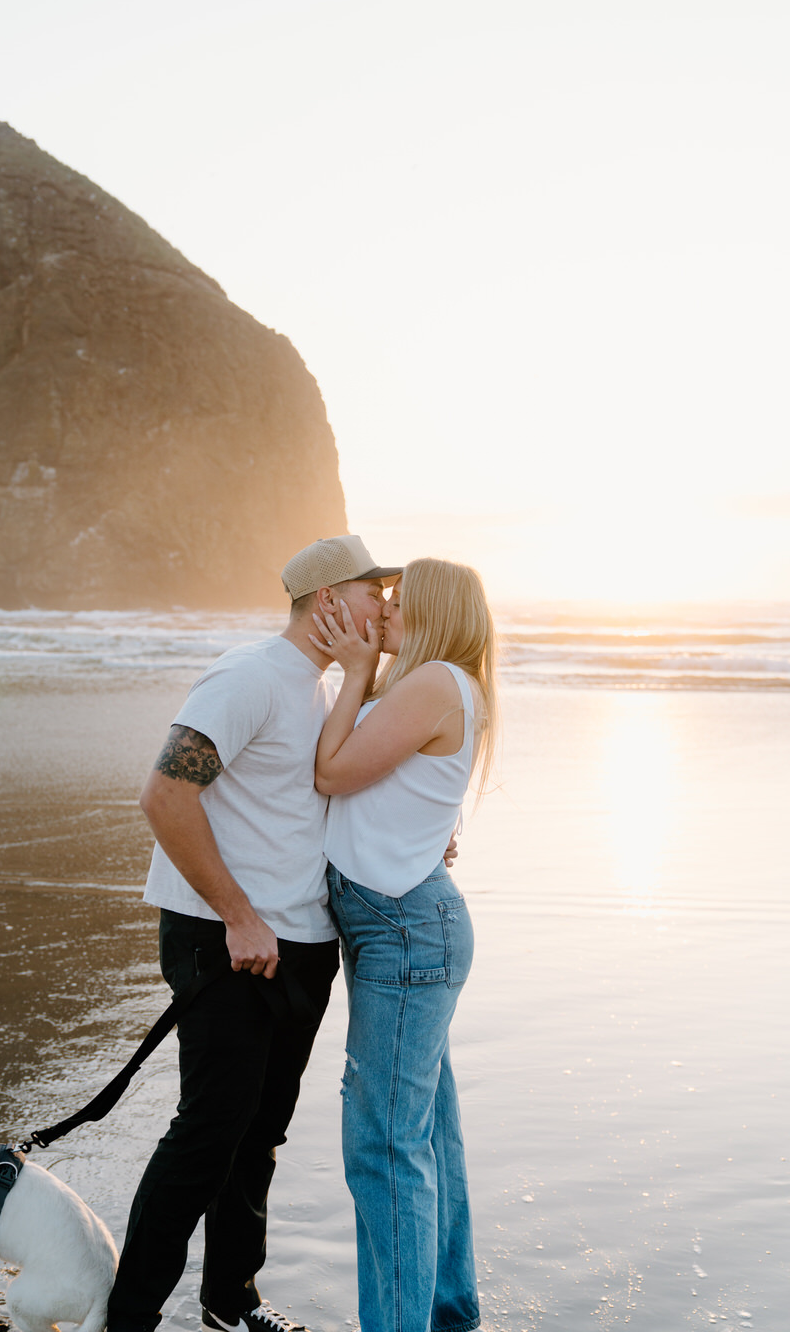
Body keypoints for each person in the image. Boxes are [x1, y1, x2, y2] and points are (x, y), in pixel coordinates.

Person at [106, 535, 402, 1332]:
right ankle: (128, 1318)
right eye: (377, 592)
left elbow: (318, 801)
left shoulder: (324, 690)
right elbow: (166, 795)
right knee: (207, 1135)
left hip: (303, 945)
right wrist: (239, 915)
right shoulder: (249, 676)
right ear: (330, 599)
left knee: (258, 1136)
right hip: (225, 939)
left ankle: (230, 1301)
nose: (388, 606)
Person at [309, 557, 498, 1332]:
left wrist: (354, 668)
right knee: (425, 1142)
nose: (383, 610)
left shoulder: (432, 682)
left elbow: (332, 772)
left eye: (396, 600)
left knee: (384, 1152)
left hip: (404, 935)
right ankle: (447, 1314)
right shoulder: (433, 685)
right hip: (406, 928)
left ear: (431, 611)